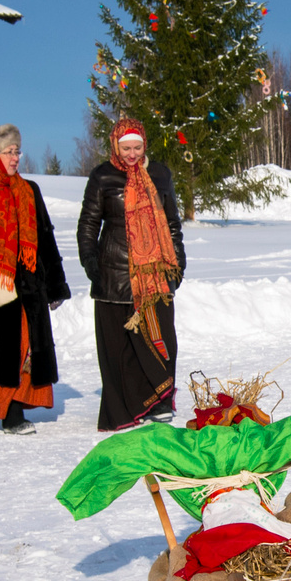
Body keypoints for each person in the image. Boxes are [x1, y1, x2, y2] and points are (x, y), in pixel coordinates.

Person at [0, 124, 73, 435]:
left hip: (27, 285)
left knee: (24, 349)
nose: (15, 158)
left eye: (17, 151)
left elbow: (46, 239)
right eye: (9, 152)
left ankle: (13, 413)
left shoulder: (29, 190)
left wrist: (55, 285)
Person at [77, 120, 186, 429]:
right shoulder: (102, 176)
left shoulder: (160, 174)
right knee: (117, 346)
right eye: (126, 148)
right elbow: (88, 224)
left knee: (160, 337)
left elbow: (173, 224)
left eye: (137, 147)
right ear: (115, 146)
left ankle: (159, 400)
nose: (132, 154)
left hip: (154, 274)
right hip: (113, 272)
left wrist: (178, 265)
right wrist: (90, 261)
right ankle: (122, 408)